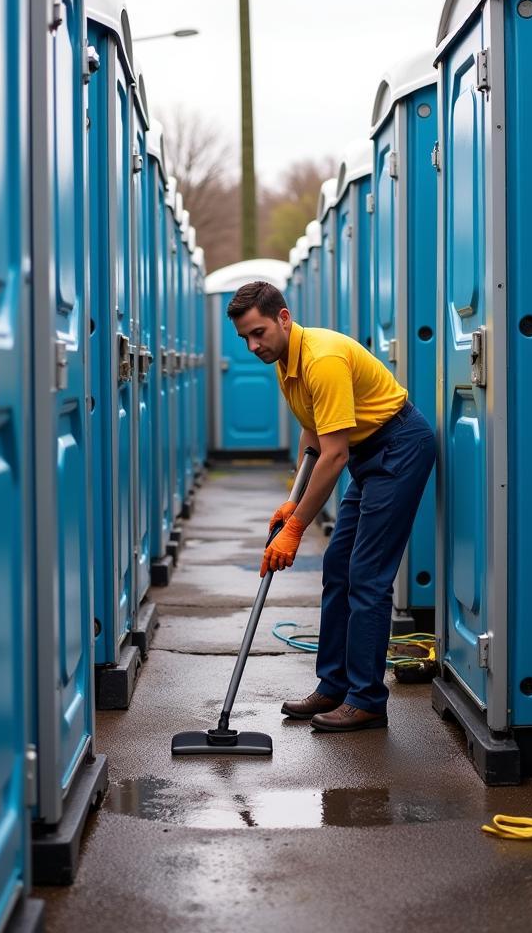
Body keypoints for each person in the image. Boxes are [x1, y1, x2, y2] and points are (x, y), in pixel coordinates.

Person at [226, 280, 435, 733]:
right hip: (366, 453)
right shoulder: (285, 361)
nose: (252, 345)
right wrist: (292, 502)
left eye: (258, 332)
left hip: (397, 448)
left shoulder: (321, 359)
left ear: (284, 317)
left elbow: (334, 455)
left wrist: (297, 528)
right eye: (244, 337)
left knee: (368, 575)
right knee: (339, 565)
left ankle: (366, 700)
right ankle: (333, 685)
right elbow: (313, 435)